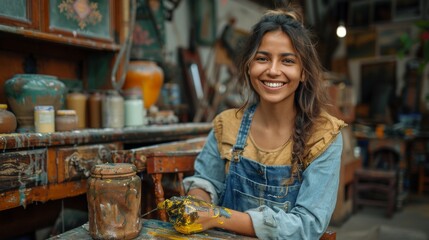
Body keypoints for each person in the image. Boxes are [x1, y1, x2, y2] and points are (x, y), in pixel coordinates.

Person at [160, 3, 346, 239]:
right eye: (263, 58)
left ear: (303, 72)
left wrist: (217, 216)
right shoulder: (226, 125)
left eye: (287, 61)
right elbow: (206, 180)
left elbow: (307, 225)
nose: (273, 70)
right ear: (249, 66)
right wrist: (198, 203)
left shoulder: (324, 135)